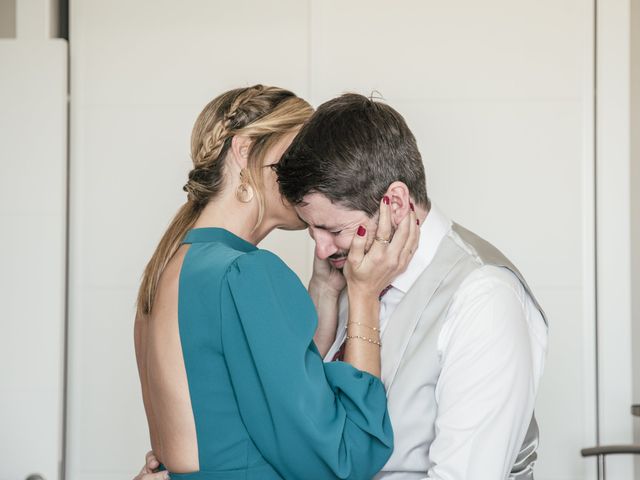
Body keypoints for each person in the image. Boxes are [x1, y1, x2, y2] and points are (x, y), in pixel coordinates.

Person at [133, 86, 420, 480]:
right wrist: (364, 295)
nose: (309, 169)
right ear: (246, 151)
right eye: (299, 153)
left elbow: (261, 388)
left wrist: (325, 289)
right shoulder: (245, 273)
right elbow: (344, 458)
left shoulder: (169, 269)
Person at [273, 94, 548, 479]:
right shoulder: (353, 272)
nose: (319, 248)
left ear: (396, 203)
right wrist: (324, 292)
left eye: (333, 229)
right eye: (311, 230)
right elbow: (303, 429)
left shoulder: (483, 297)